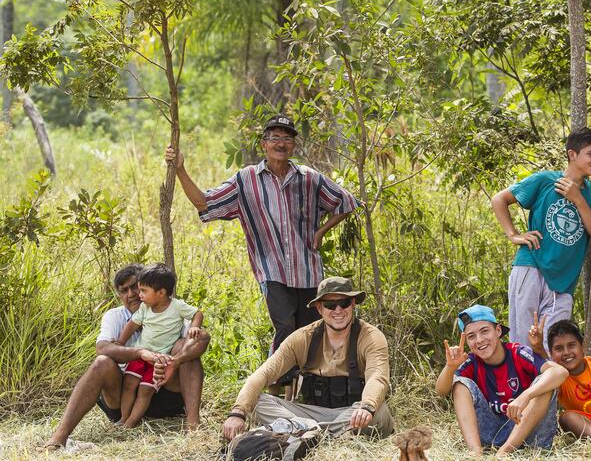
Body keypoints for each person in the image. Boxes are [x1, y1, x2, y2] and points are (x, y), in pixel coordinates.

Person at [166, 114, 359, 389]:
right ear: (264, 144)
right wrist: (180, 169)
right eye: (275, 138)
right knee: (285, 327)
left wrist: (321, 231)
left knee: (310, 333)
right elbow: (204, 204)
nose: (281, 143)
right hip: (272, 270)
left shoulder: (309, 178)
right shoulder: (246, 180)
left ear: (293, 145)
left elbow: (347, 202)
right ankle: (271, 387)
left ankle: (306, 393)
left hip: (309, 272)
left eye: (287, 138)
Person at [43, 264, 210, 450]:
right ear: (119, 295)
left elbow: (200, 339)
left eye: (136, 287)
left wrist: (175, 360)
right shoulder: (114, 316)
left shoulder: (173, 309)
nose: (132, 294)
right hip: (123, 398)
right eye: (124, 290)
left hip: (164, 388)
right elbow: (102, 348)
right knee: (101, 362)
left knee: (186, 349)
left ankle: (193, 427)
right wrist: (140, 353)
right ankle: (59, 437)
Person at [221, 276, 394, 442]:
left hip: (353, 413)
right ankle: (316, 432)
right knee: (257, 403)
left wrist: (366, 406)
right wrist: (238, 412)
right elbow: (265, 373)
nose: (338, 310)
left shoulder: (371, 337)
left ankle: (305, 433)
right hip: (310, 414)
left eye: (344, 303)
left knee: (378, 414)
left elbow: (377, 377)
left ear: (353, 304)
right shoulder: (303, 337)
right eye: (330, 305)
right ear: (319, 308)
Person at [491, 127, 591, 350]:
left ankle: (550, 386)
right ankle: (525, 385)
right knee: (523, 342)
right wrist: (514, 235)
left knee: (555, 345)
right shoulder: (546, 180)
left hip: (564, 281)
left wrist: (578, 199)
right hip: (531, 266)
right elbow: (499, 199)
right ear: (572, 154)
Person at [435, 304, 567, 456]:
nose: (479, 340)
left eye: (485, 331)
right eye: (471, 336)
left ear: (498, 331)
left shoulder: (518, 353)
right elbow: (441, 391)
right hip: (492, 437)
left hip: (530, 436)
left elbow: (560, 371)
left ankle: (503, 454)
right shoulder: (472, 362)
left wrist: (526, 395)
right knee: (460, 384)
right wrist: (450, 367)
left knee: (545, 385)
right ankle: (476, 454)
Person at [116, 263, 203, 428]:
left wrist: (195, 326)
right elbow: (132, 325)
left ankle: (131, 423)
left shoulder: (177, 306)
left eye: (143, 291)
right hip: (140, 355)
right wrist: (120, 342)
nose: (139, 295)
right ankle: (123, 418)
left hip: (159, 362)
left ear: (161, 293)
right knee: (128, 385)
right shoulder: (145, 307)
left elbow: (197, 313)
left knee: (145, 391)